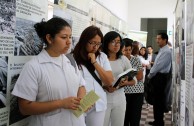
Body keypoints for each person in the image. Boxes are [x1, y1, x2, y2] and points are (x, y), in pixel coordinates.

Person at [12, 17, 87, 126]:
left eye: (70, 37)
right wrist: (61, 103)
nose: (69, 42)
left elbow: (81, 85)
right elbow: (24, 107)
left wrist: (81, 100)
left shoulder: (70, 60)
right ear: (49, 38)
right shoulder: (34, 66)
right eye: (64, 37)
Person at [73, 26, 114, 126]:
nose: (95, 47)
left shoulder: (102, 57)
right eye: (92, 43)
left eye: (98, 43)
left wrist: (95, 62)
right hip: (80, 102)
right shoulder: (73, 57)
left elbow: (109, 81)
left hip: (98, 102)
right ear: (84, 40)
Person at [101, 31, 136, 126]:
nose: (116, 45)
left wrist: (125, 83)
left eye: (118, 42)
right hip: (104, 97)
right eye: (113, 42)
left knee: (118, 124)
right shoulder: (100, 59)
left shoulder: (123, 59)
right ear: (106, 43)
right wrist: (105, 86)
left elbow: (134, 80)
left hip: (119, 97)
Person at [148, 32, 172, 126]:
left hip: (160, 78)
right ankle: (157, 120)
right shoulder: (162, 50)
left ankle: (159, 122)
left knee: (159, 101)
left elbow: (158, 66)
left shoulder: (166, 51)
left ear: (165, 40)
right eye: (156, 38)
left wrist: (149, 75)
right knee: (157, 100)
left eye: (159, 39)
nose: (157, 40)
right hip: (158, 77)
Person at [123, 38, 144, 126]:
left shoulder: (136, 59)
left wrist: (125, 77)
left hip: (137, 92)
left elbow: (140, 76)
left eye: (129, 50)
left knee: (135, 118)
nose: (128, 52)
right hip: (123, 93)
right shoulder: (118, 60)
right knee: (124, 118)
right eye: (125, 50)